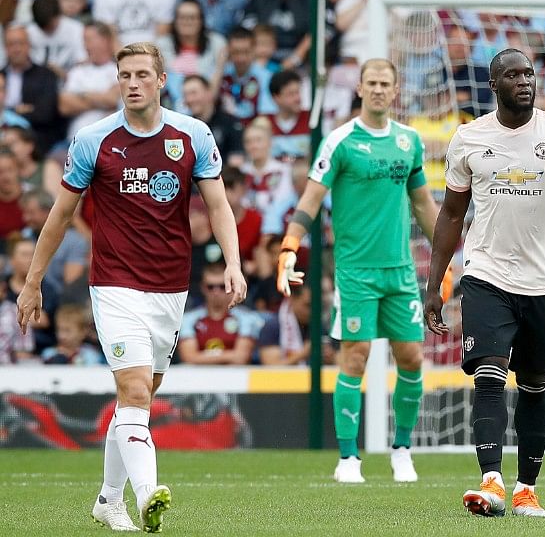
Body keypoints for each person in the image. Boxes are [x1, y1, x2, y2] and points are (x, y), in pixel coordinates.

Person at [16, 42, 246, 533]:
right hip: (115, 283)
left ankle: (106, 500)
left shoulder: (193, 136)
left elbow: (219, 207)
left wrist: (233, 262)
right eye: (125, 75)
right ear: (117, 81)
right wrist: (33, 281)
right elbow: (61, 215)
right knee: (135, 389)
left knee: (135, 399)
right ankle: (148, 496)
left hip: (170, 288)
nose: (134, 82)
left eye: (143, 74)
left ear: (162, 80)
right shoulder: (92, 141)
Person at [424, 48, 545, 518]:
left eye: (528, 73)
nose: (524, 81)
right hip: (487, 276)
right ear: (494, 85)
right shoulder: (469, 138)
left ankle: (526, 489)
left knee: (534, 382)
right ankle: (490, 481)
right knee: (488, 372)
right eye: (512, 75)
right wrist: (436, 284)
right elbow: (450, 214)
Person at [275, 58, 446, 484]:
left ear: (395, 90)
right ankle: (348, 458)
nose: (377, 90)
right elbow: (311, 201)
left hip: (400, 271)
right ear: (358, 88)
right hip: (355, 272)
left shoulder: (408, 142)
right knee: (356, 356)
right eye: (370, 83)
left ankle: (402, 450)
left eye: (384, 83)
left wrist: (448, 257)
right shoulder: (341, 141)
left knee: (410, 356)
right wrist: (289, 246)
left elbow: (423, 204)